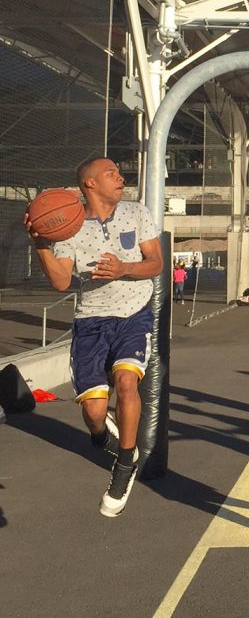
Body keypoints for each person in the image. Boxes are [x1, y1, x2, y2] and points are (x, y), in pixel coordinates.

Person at [24, 157, 162, 517]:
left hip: (134, 313)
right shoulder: (68, 228)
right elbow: (60, 281)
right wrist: (39, 242)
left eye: (118, 172)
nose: (121, 177)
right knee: (94, 411)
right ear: (90, 185)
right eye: (111, 173)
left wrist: (124, 269)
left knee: (127, 383)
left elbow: (156, 264)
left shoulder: (136, 212)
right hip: (90, 321)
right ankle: (102, 436)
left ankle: (125, 465)